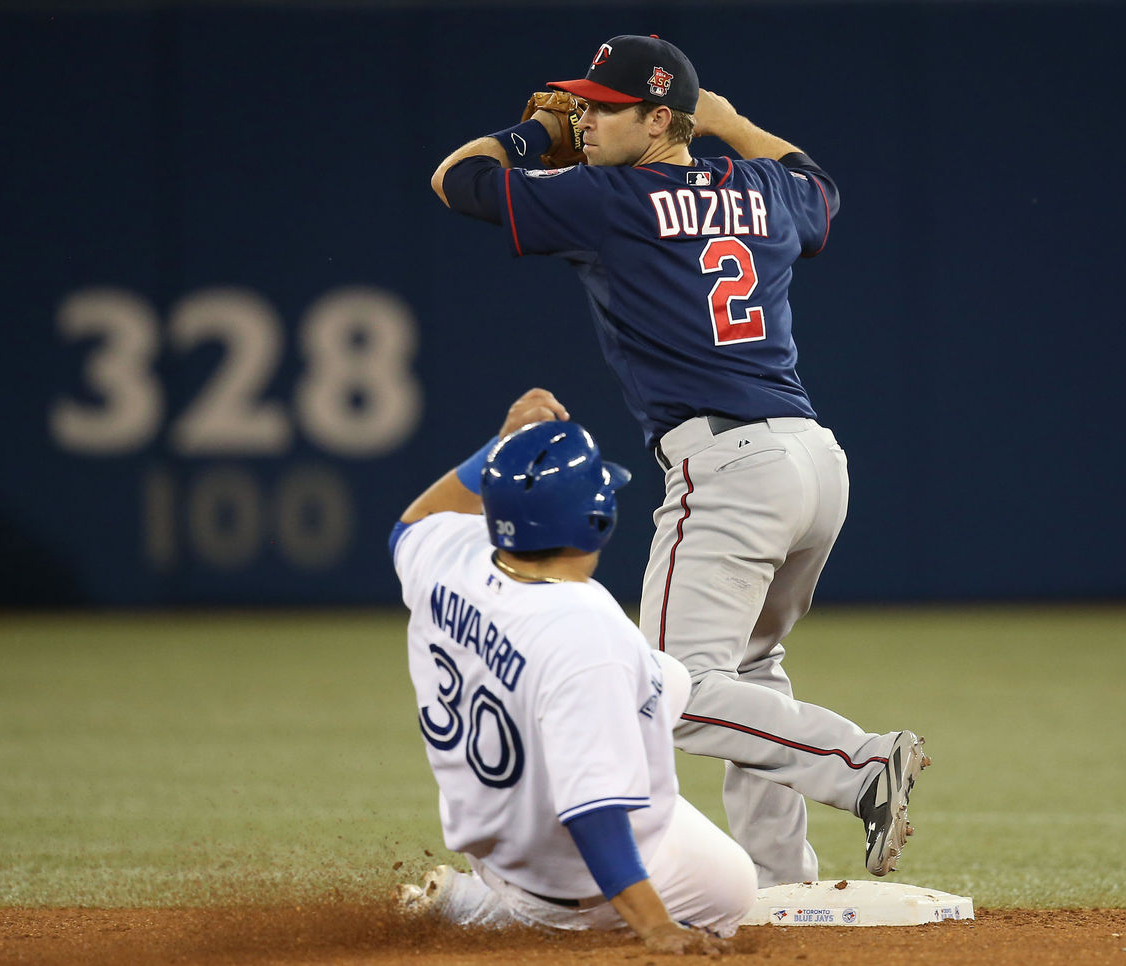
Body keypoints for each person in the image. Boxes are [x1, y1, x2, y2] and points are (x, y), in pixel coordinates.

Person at [428, 35, 930, 888]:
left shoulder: (606, 198)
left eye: (602, 108)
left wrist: (528, 143)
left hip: (728, 466)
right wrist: (732, 125)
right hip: (813, 463)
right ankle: (781, 878)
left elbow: (456, 181)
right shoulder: (764, 187)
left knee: (663, 688)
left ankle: (858, 763)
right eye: (577, 105)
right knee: (749, 674)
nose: (580, 118)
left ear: (660, 120)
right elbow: (822, 188)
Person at [389, 387, 756, 954]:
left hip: (493, 831)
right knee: (732, 889)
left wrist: (502, 444)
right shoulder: (585, 631)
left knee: (665, 679)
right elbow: (594, 811)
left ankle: (501, 894)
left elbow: (411, 525)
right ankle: (492, 914)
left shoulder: (451, 556)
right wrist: (656, 927)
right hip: (558, 879)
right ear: (597, 520)